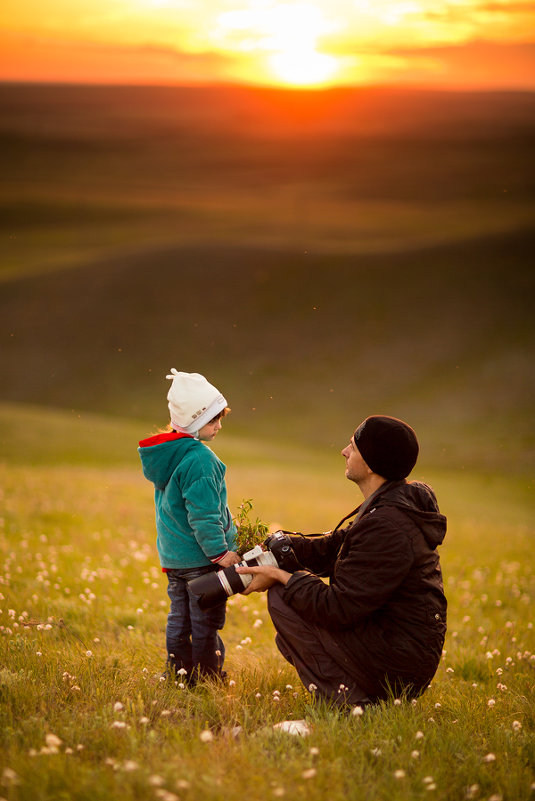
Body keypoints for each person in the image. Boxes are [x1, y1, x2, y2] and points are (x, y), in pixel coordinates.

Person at [237, 415, 447, 707]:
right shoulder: (387, 507)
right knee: (292, 613)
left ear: (372, 463)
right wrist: (274, 545)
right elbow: (330, 549)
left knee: (285, 598)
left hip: (399, 664)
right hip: (397, 647)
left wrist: (280, 576)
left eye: (353, 447)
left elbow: (336, 608)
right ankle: (353, 689)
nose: (344, 452)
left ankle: (352, 703)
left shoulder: (389, 526)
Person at [138, 369, 240, 684]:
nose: (219, 425)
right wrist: (221, 553)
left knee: (179, 621)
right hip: (201, 560)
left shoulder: (168, 455)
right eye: (213, 420)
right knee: (205, 623)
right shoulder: (200, 460)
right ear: (195, 421)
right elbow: (204, 515)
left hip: (174, 558)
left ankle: (180, 674)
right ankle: (209, 677)